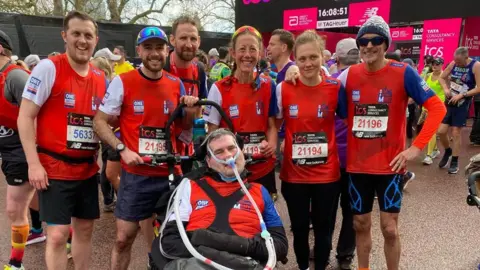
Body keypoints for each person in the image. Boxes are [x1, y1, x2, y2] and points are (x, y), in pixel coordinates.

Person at [335, 16, 446, 270]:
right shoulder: (348, 75)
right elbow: (326, 94)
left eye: (376, 40)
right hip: (357, 166)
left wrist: (415, 148)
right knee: (360, 225)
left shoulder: (403, 72)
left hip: (390, 166)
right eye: (364, 40)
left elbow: (437, 108)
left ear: (385, 44)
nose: (369, 45)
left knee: (390, 228)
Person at [93, 26, 199, 270]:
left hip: (170, 175)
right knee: (123, 239)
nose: (154, 53)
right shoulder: (123, 81)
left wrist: (192, 112)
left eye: (159, 48)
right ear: (138, 50)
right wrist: (122, 149)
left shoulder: (176, 84)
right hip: (137, 177)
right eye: (148, 47)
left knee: (176, 239)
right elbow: (99, 121)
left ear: (167, 50)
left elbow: (184, 127)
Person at [17, 11, 107, 270]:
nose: (82, 40)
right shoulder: (49, 68)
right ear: (64, 36)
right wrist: (33, 164)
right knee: (57, 235)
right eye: (76, 34)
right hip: (54, 168)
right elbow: (25, 117)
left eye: (88, 35)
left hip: (87, 169)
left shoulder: (101, 78)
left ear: (96, 40)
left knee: (85, 229)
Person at [150, 128, 288, 269]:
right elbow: (169, 242)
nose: (228, 155)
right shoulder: (189, 187)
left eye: (231, 148)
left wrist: (207, 239)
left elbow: (280, 246)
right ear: (209, 162)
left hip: (249, 263)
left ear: (241, 152)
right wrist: (224, 259)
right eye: (219, 152)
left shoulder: (259, 191)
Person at [276, 30, 347, 270]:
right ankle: (304, 266)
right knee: (298, 227)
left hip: (326, 175)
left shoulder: (335, 87)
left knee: (323, 227)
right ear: (295, 60)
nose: (308, 63)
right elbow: (273, 124)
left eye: (313, 57)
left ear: (323, 58)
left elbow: (349, 121)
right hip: (294, 175)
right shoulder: (283, 88)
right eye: (302, 59)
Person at [203, 25, 278, 197]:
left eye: (253, 49)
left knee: (264, 218)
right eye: (242, 49)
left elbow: (272, 124)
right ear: (233, 52)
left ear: (260, 53)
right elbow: (212, 132)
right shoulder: (219, 88)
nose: (247, 55)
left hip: (262, 166)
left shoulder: (268, 85)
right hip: (231, 168)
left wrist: (272, 144)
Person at [0, 30, 39, 270]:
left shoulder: (15, 77)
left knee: (14, 209)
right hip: (9, 152)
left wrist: (35, 157)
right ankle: (63, 234)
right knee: (33, 202)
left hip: (21, 153)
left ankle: (16, 264)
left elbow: (38, 113)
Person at [164, 15, 209, 175]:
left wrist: (192, 112)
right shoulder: (162, 65)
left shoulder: (200, 70)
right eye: (183, 38)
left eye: (193, 38)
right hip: (162, 146)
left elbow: (202, 109)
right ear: (172, 40)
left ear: (199, 41)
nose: (189, 44)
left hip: (187, 146)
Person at [330, 37, 359, 270]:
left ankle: (333, 251)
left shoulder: (330, 81)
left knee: (329, 210)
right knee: (350, 210)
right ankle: (344, 254)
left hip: (339, 158)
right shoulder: (331, 82)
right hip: (350, 158)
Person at [438, 47, 480, 174]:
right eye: (455, 61)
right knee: (441, 131)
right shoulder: (453, 63)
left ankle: (455, 161)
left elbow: (479, 88)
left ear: (466, 57)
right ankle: (448, 151)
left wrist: (462, 95)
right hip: (450, 100)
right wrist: (445, 88)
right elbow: (441, 77)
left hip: (463, 102)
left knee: (456, 132)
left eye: (459, 62)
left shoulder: (476, 65)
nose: (456, 64)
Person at [421, 57, 445, 165]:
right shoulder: (428, 76)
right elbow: (423, 91)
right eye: (433, 64)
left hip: (439, 108)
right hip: (428, 107)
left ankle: (429, 155)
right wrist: (423, 107)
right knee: (431, 130)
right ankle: (435, 150)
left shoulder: (444, 76)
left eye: (437, 64)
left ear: (442, 65)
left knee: (432, 130)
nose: (435, 66)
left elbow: (447, 91)